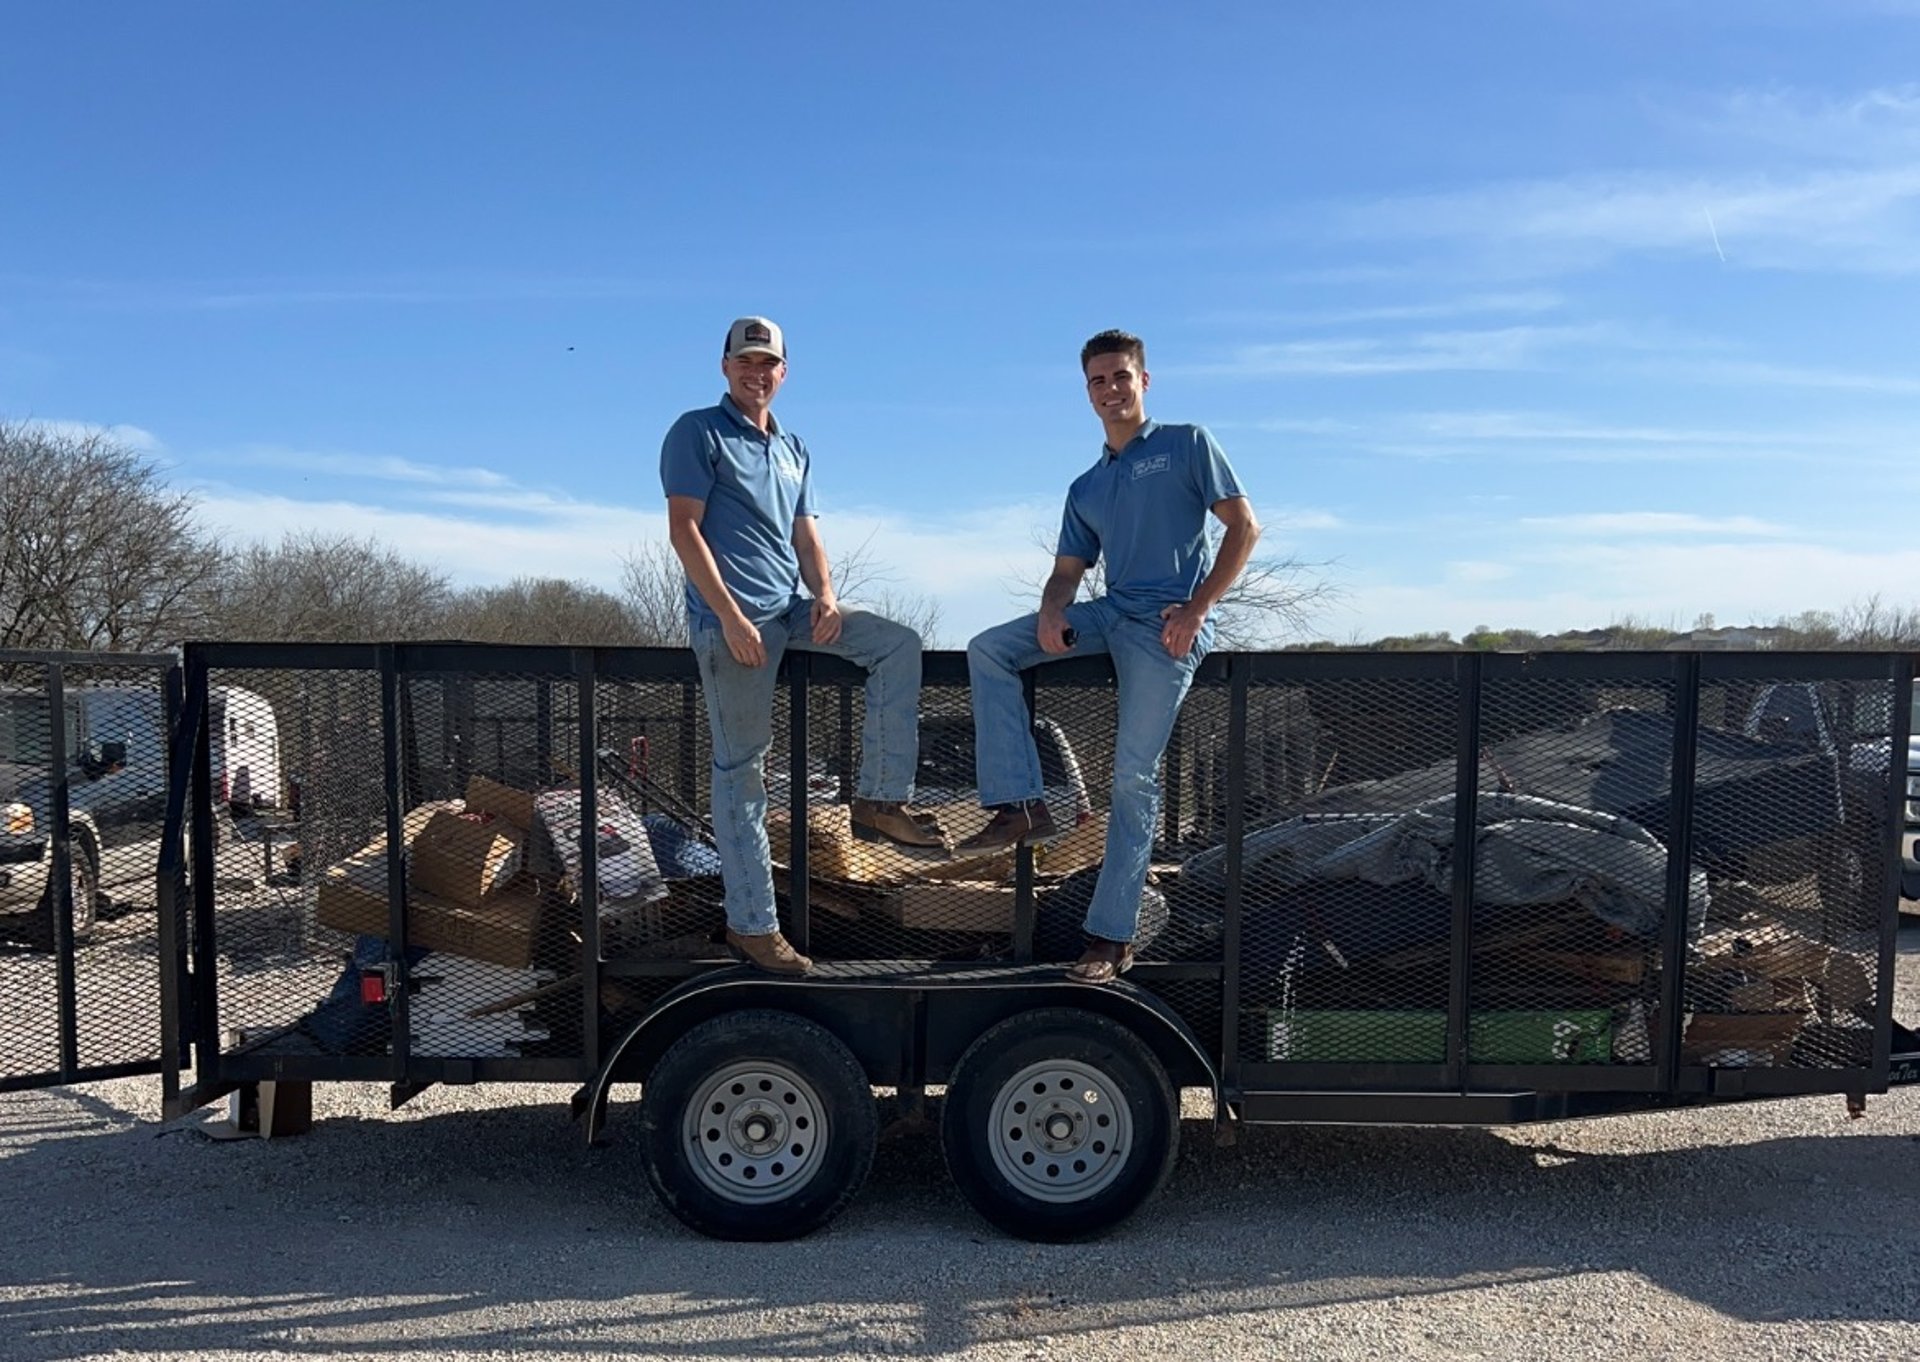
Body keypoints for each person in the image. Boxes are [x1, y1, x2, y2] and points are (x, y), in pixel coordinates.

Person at [959, 329, 1261, 984]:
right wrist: (1051, 611)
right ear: (1087, 391)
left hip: (1166, 624)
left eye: (1121, 376)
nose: (1110, 389)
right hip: (1110, 611)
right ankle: (1021, 804)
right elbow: (1068, 571)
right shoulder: (1087, 486)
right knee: (990, 650)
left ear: (1143, 381)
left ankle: (1111, 936)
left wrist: (1198, 609)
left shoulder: (1187, 444)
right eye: (1098, 380)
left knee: (1132, 777)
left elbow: (1244, 527)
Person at [661, 316, 946, 975]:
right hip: (734, 623)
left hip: (791, 611)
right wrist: (730, 617)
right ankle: (752, 925)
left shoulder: (793, 448)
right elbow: (684, 531)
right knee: (742, 772)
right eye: (745, 361)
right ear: (724, 367)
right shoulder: (697, 432)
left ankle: (880, 800)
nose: (756, 373)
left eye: (768, 363)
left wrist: (825, 594)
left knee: (897, 645)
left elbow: (807, 535)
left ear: (784, 373)